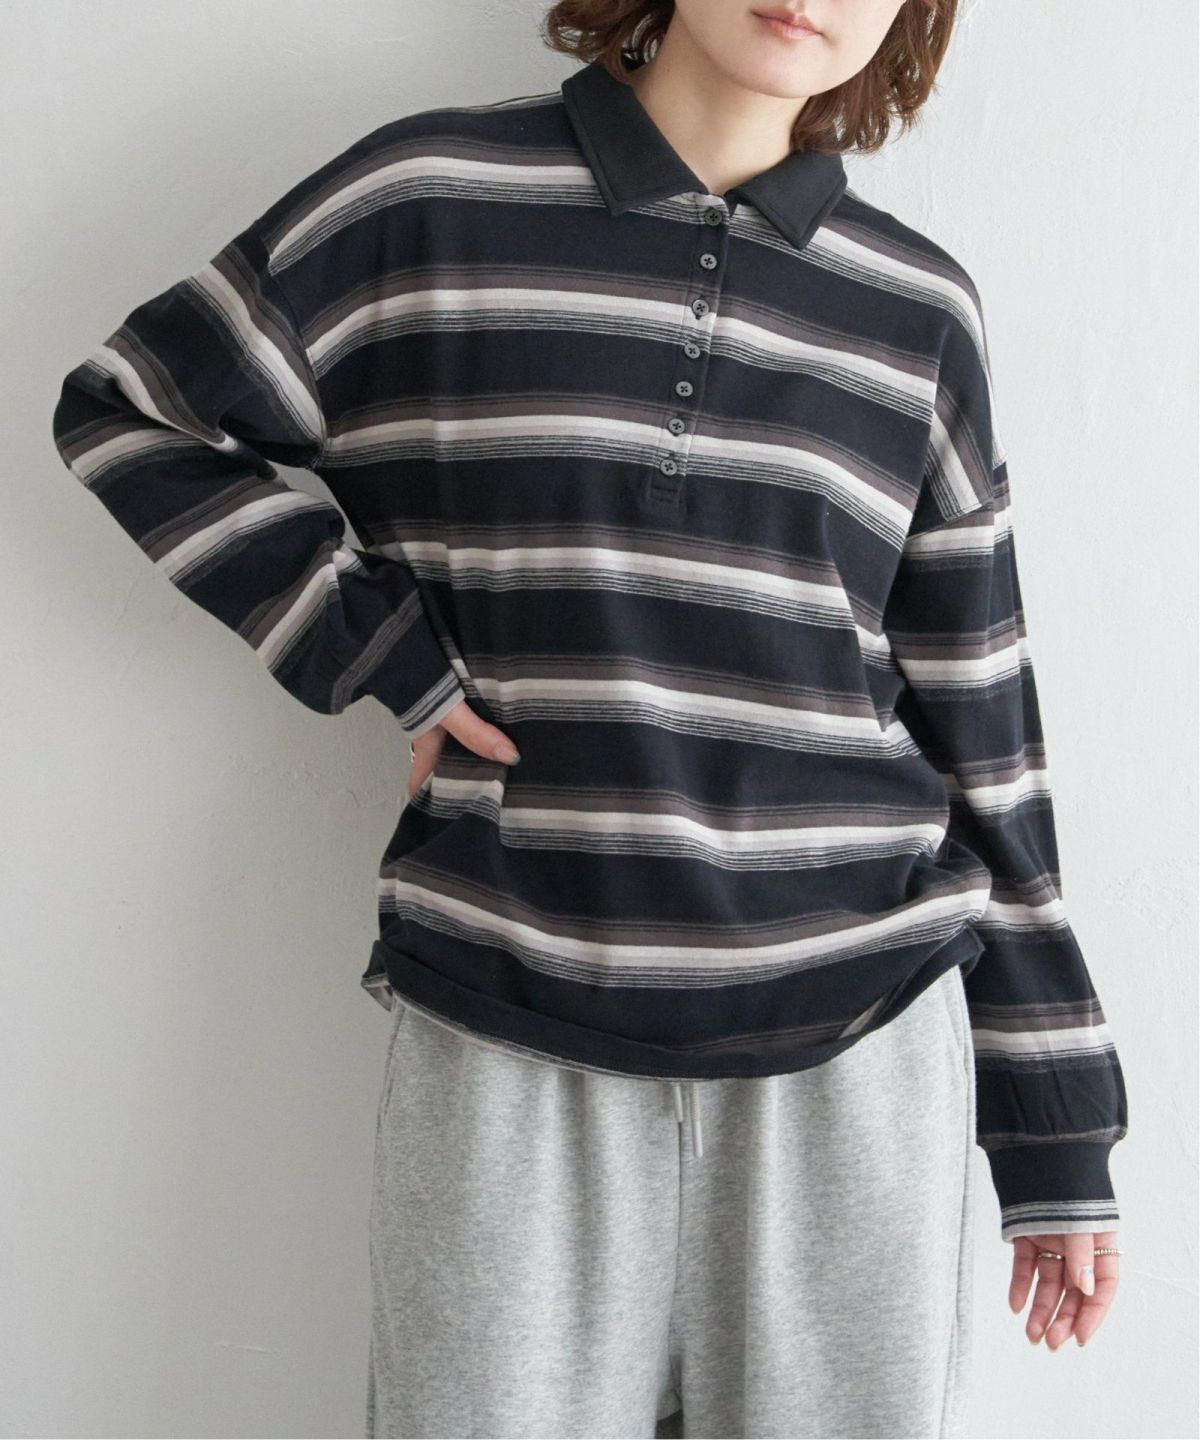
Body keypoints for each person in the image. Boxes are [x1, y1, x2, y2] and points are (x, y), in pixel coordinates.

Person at [51, 1, 1128, 1435]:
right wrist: (382, 649)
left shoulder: (918, 310)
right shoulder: (428, 202)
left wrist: (1056, 1130)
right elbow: (132, 413)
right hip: (509, 1028)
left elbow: (982, 717)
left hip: (854, 1061)